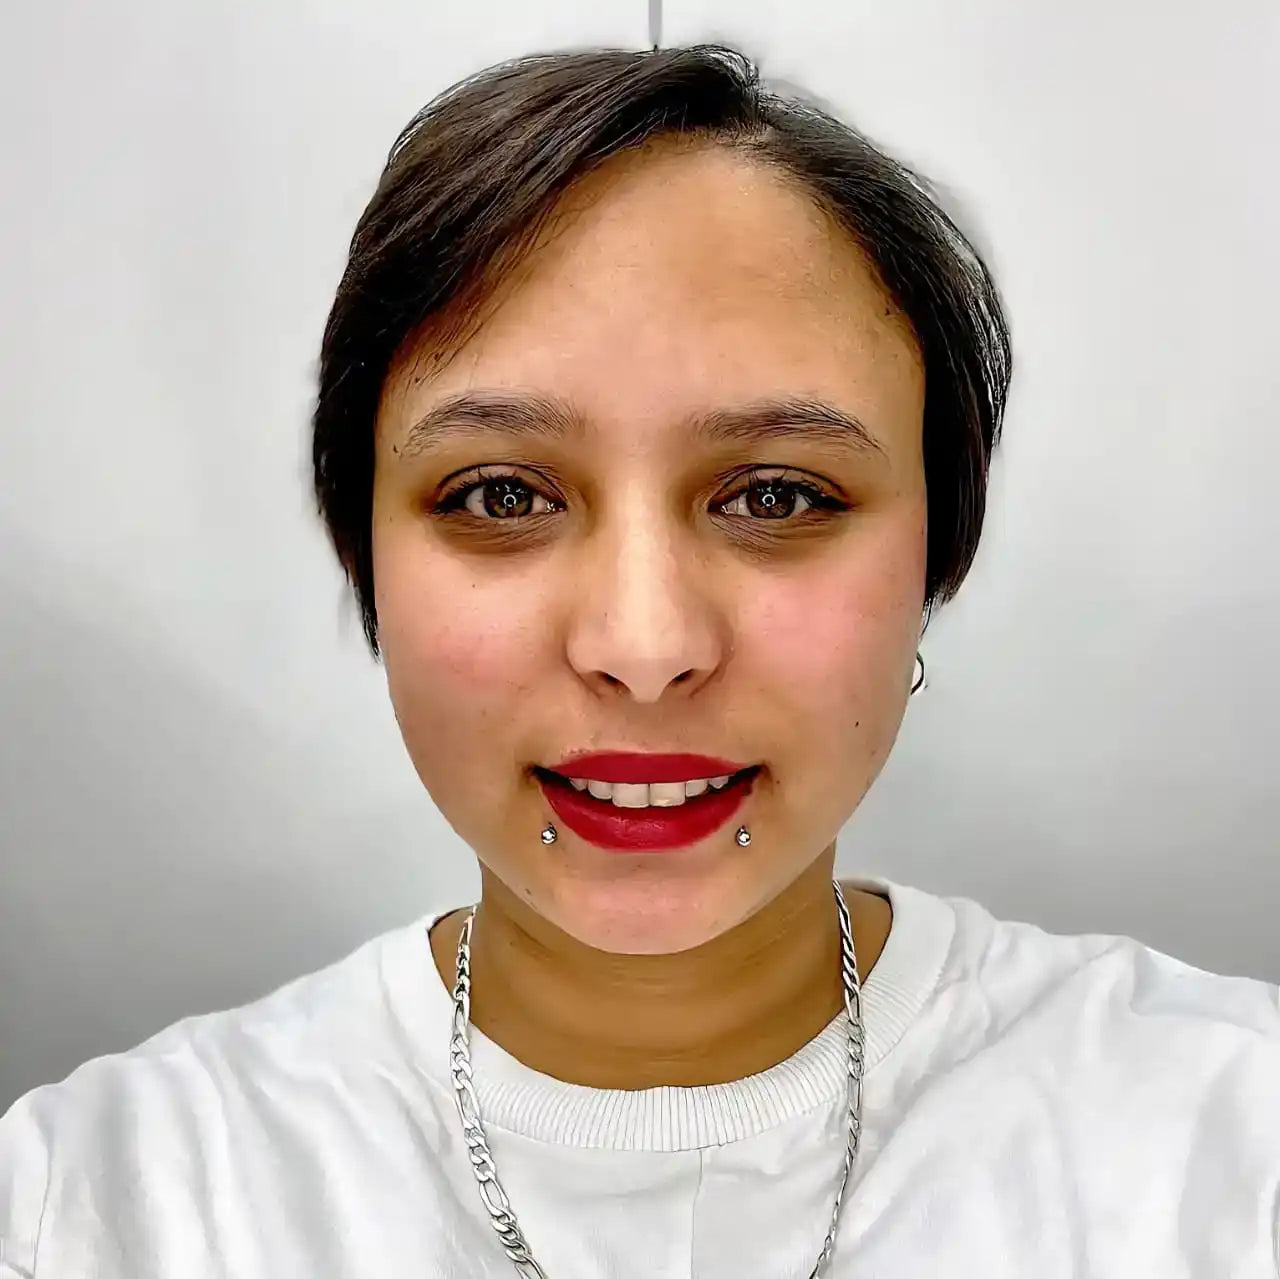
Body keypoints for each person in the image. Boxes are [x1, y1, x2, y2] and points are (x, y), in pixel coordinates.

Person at [1, 40, 1277, 1279]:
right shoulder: (96, 1203)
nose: (644, 648)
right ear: (365, 559)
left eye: (774, 496)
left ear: (932, 559)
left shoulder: (1224, 1144)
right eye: (501, 495)